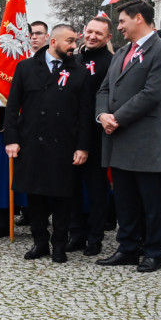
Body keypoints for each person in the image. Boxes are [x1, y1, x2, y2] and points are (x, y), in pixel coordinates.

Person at [4, 25, 91, 261]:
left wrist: (83, 146)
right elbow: (12, 108)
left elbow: (85, 114)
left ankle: (59, 244)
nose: (74, 46)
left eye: (75, 41)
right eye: (70, 41)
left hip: (64, 145)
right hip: (32, 143)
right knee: (36, 197)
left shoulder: (80, 72)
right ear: (53, 41)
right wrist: (11, 139)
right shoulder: (26, 68)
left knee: (63, 197)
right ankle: (40, 242)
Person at [94, 0, 161, 272]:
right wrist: (103, 116)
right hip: (117, 139)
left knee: (152, 201)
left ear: (139, 18)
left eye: (123, 20)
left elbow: (153, 93)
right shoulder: (122, 52)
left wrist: (118, 118)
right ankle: (127, 247)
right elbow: (103, 90)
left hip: (145, 140)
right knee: (125, 200)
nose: (120, 26)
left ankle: (153, 251)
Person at [67, 16, 115, 256]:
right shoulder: (72, 60)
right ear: (83, 33)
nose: (93, 36)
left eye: (99, 33)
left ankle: (95, 238)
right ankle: (76, 233)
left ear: (108, 38)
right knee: (72, 187)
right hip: (71, 134)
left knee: (96, 189)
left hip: (98, 136)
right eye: (90, 31)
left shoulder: (112, 62)